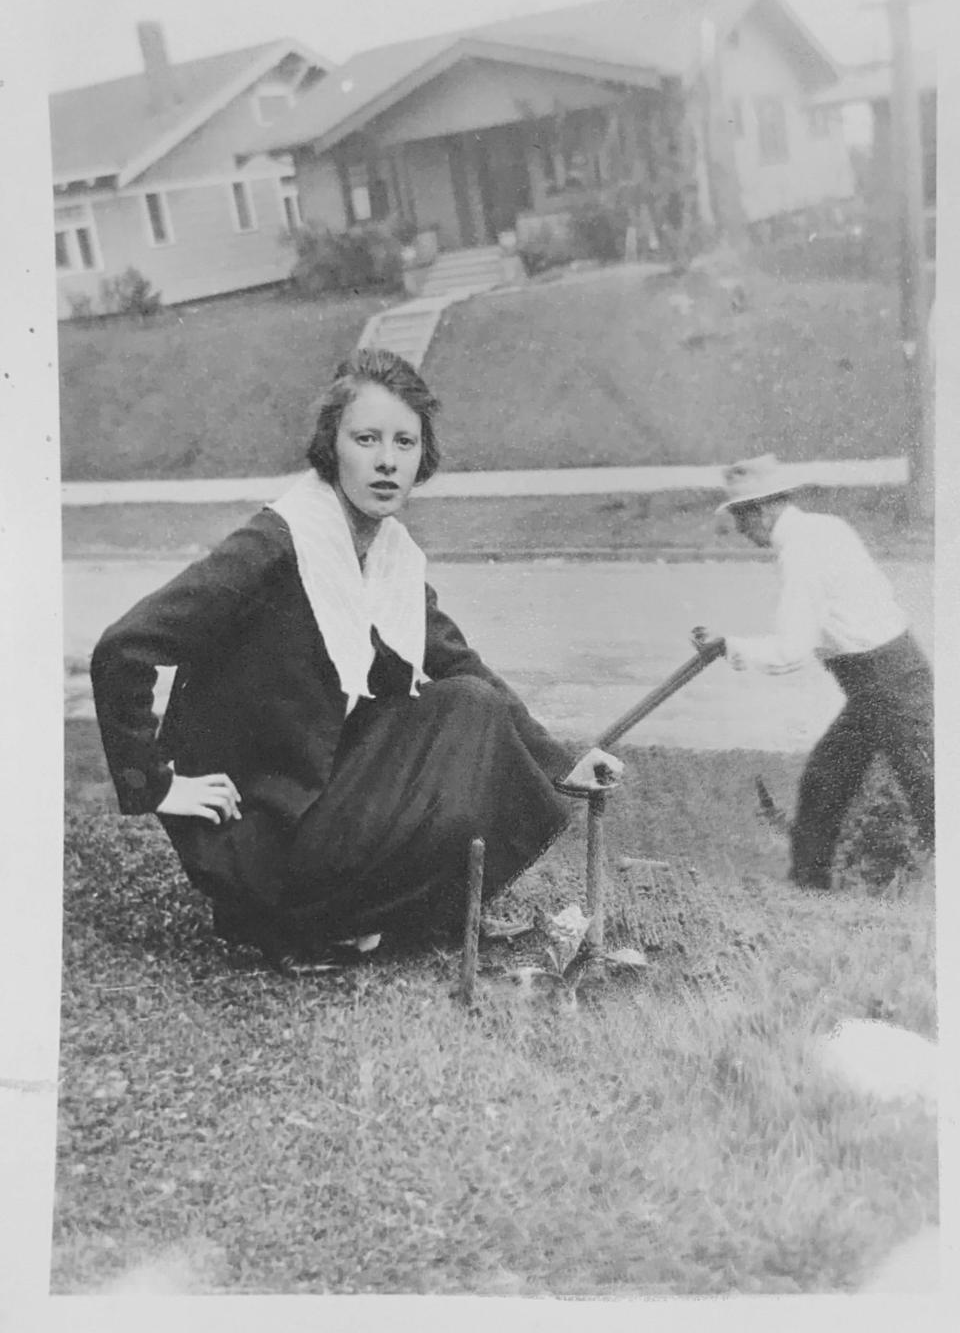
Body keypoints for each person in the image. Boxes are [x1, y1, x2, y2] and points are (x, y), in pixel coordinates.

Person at [91, 349, 622, 965]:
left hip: (314, 794)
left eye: (405, 441)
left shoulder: (387, 554)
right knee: (461, 714)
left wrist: (564, 762)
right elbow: (123, 648)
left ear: (425, 457)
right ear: (331, 446)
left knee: (468, 705)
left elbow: (457, 664)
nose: (387, 461)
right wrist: (156, 785)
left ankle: (392, 912)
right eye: (366, 439)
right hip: (253, 820)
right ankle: (290, 918)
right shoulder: (276, 543)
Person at [709, 454, 933, 890]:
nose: (739, 529)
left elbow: (792, 651)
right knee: (825, 779)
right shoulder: (827, 526)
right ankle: (809, 885)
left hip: (886, 684)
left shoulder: (800, 555)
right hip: (886, 675)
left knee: (931, 792)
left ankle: (813, 882)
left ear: (763, 509)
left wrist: (730, 647)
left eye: (740, 516)